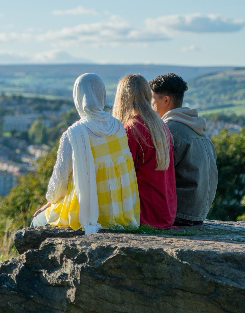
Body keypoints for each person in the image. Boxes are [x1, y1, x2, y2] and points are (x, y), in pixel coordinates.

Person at [31, 73, 139, 234]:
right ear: (101, 95)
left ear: (78, 97)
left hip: (85, 214)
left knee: (35, 222)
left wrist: (50, 203)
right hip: (123, 213)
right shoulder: (117, 127)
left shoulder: (74, 134)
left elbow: (59, 181)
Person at [149, 73, 218, 226]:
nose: (151, 107)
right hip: (199, 213)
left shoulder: (169, 131)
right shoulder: (198, 130)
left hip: (179, 214)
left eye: (152, 101)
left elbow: (155, 176)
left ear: (166, 100)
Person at [112, 74, 177, 229]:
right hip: (165, 214)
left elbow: (119, 177)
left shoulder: (132, 129)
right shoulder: (160, 126)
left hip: (144, 215)